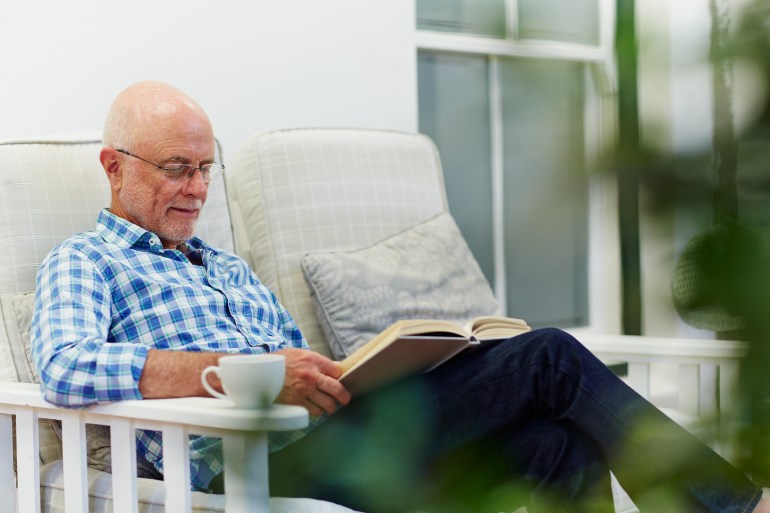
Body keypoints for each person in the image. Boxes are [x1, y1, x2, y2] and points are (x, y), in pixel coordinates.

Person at [30, 81, 768, 513]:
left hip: (336, 435)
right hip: (247, 464)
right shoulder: (86, 260)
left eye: (203, 169)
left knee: (556, 443)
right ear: (113, 167)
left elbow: (306, 362)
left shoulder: (229, 267)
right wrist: (237, 370)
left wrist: (364, 368)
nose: (195, 188)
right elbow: (65, 365)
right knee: (549, 357)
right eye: (175, 168)